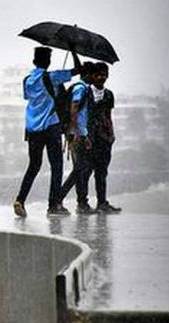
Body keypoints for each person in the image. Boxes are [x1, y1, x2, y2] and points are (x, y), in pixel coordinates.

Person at [14, 46, 82, 218]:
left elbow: (28, 98)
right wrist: (73, 51)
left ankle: (20, 200)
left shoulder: (27, 80)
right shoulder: (52, 77)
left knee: (34, 165)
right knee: (56, 166)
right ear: (48, 61)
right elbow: (78, 70)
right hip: (51, 126)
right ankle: (53, 205)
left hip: (32, 128)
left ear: (34, 61)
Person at [60, 62, 98, 214]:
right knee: (80, 169)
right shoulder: (80, 88)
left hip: (80, 133)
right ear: (88, 74)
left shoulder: (84, 88)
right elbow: (74, 110)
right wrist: (76, 133)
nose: (95, 77)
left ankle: (82, 203)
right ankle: (59, 198)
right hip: (77, 134)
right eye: (93, 74)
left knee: (82, 169)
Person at [88, 63, 122, 214]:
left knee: (102, 172)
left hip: (103, 138)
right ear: (92, 76)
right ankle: (82, 203)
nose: (101, 77)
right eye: (98, 74)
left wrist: (112, 134)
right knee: (84, 172)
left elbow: (108, 115)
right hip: (88, 138)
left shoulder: (109, 95)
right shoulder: (85, 92)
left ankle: (102, 202)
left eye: (104, 74)